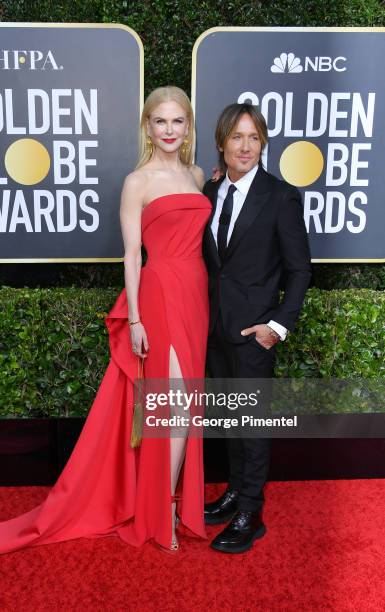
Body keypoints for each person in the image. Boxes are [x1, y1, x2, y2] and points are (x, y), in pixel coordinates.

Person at [0, 86, 212, 558]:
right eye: (160, 121)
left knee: (189, 406)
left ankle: (169, 503)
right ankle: (162, 508)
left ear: (188, 127)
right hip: (161, 295)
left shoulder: (198, 174)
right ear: (147, 127)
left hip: (197, 294)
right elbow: (130, 255)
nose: (169, 130)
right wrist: (138, 319)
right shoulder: (137, 181)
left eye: (177, 121)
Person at [201, 103, 311, 553]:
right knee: (229, 418)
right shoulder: (209, 192)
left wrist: (277, 327)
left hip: (253, 334)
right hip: (213, 328)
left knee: (252, 423)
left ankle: (251, 511)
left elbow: (300, 270)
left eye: (253, 138)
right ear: (222, 143)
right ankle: (233, 493)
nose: (245, 147)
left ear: (263, 143)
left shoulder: (280, 195)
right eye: (236, 137)